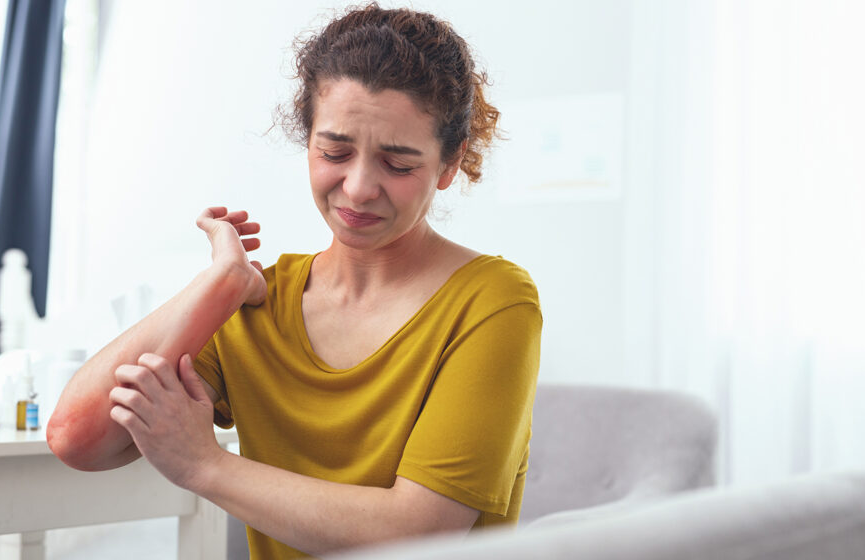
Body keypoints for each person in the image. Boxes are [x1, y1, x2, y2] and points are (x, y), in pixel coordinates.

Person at [46, 3, 542, 559]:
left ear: (450, 165)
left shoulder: (493, 302)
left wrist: (202, 465)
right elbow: (79, 439)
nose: (357, 188)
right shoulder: (260, 301)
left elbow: (418, 531)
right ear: (306, 140)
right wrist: (220, 285)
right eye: (335, 151)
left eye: (398, 165)